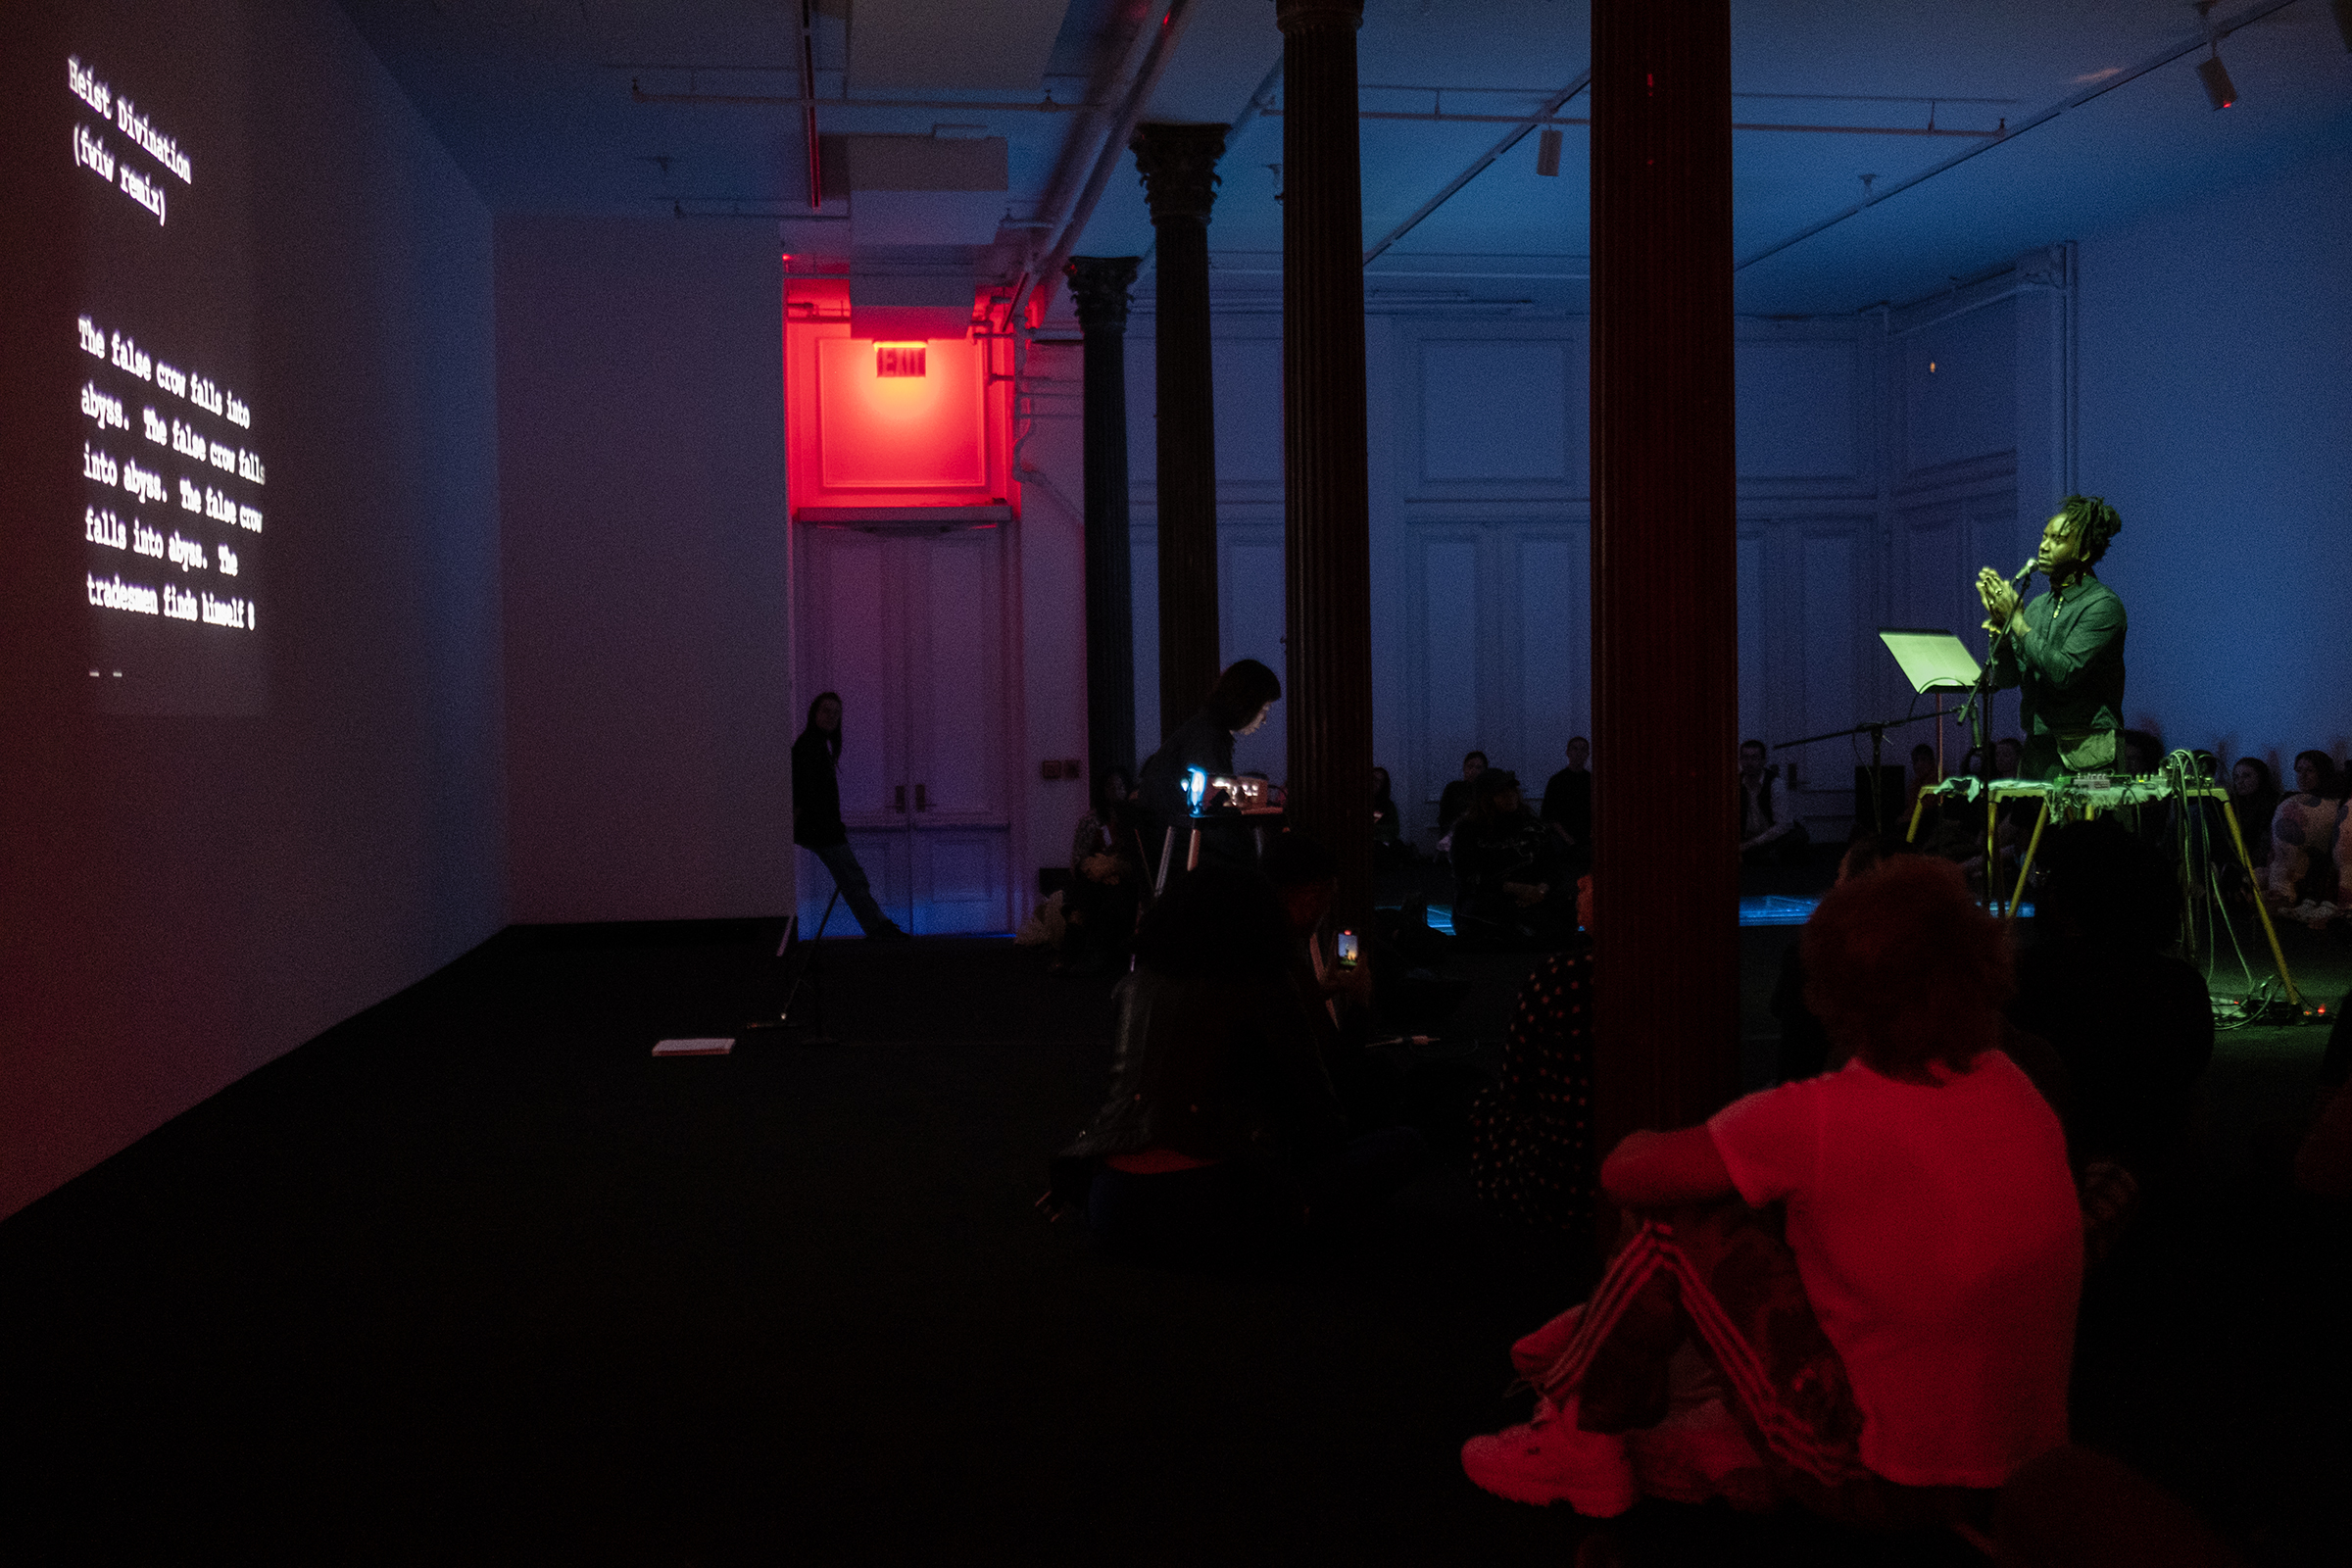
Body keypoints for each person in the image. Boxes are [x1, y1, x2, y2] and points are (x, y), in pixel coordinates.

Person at [1461, 857, 2081, 1527]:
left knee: (1674, 1222)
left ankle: (1579, 1438)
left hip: (1881, 1478)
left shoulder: (1825, 1115)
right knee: (1764, 1209)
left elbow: (1624, 1174)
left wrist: (1672, 1145)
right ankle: (1662, 1389)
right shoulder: (2016, 1089)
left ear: (1833, 983)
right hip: (2023, 1470)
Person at [1047, 861, 1416, 1262]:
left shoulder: (1133, 988)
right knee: (1404, 1144)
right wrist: (1359, 1007)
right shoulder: (1265, 984)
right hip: (1220, 1202)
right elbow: (1324, 1121)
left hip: (1113, 1203)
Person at [1468, 875, 1597, 1238]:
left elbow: (1514, 1085)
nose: (1582, 880)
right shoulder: (1678, 972)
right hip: (1643, 1171)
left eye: (1597, 872)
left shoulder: (1561, 978)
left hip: (1560, 1180)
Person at [1976, 495, 2127, 780]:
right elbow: (2008, 679)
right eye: (2044, 537)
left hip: (2087, 751)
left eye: (2057, 540)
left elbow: (2063, 671)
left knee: (2080, 827)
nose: (2044, 546)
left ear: (2082, 553)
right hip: (2038, 748)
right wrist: (2003, 634)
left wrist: (2017, 622)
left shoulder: (2103, 605)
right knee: (2031, 824)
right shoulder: (2038, 606)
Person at [1136, 660, 1282, 874]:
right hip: (1184, 854)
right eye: (1264, 708)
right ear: (1246, 702)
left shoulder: (1203, 730)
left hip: (1168, 846)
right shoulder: (1208, 737)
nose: (1265, 719)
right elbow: (1215, 806)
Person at [790, 692, 909, 941]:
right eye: (826, 711)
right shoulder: (810, 746)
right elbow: (802, 791)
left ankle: (878, 927)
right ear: (814, 713)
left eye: (836, 713)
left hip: (822, 827)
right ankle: (878, 928)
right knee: (853, 879)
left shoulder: (814, 744)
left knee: (852, 878)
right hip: (821, 829)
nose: (831, 717)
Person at [1450, 769, 1577, 950]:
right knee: (1484, 910)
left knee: (1566, 901)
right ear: (1486, 798)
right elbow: (1467, 877)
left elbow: (1552, 868)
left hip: (1533, 895)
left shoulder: (1533, 826)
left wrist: (1541, 889)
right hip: (1492, 898)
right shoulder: (1468, 830)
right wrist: (1514, 888)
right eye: (1502, 792)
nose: (1510, 796)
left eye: (1512, 790)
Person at [1062, 768, 1148, 975]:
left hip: (1122, 877)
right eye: (1111, 787)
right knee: (1088, 884)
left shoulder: (1133, 820)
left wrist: (1112, 867)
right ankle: (1075, 950)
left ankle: (1083, 953)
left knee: (1109, 893)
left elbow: (1135, 859)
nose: (1116, 791)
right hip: (1095, 872)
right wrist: (1097, 867)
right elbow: (1078, 858)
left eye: (1120, 787)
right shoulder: (1091, 820)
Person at [2266, 750, 2345, 917]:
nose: (2302, 776)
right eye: (2299, 770)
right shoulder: (2291, 798)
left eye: (2310, 770)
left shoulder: (2336, 804)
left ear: (2322, 773)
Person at [1738, 739, 1810, 866]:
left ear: (1763, 761)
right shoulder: (1736, 783)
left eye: (1754, 758)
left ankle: (1761, 855)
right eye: (1745, 758)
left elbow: (1783, 825)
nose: (1749, 762)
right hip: (1747, 836)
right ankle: (1762, 856)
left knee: (1798, 836)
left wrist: (1752, 843)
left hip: (1769, 837)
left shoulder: (1775, 784)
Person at [1541, 737, 1593, 868]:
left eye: (1583, 749)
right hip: (1563, 842)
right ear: (1568, 752)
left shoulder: (1592, 781)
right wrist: (1569, 840)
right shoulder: (1557, 781)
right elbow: (1550, 816)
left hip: (1585, 840)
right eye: (1575, 749)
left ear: (1588, 753)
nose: (1579, 753)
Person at [1438, 752, 1489, 837]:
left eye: (1478, 767)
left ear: (1484, 771)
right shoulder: (1453, 788)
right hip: (1454, 834)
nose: (1473, 771)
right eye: (1470, 766)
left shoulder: (1487, 791)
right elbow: (1444, 816)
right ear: (1464, 768)